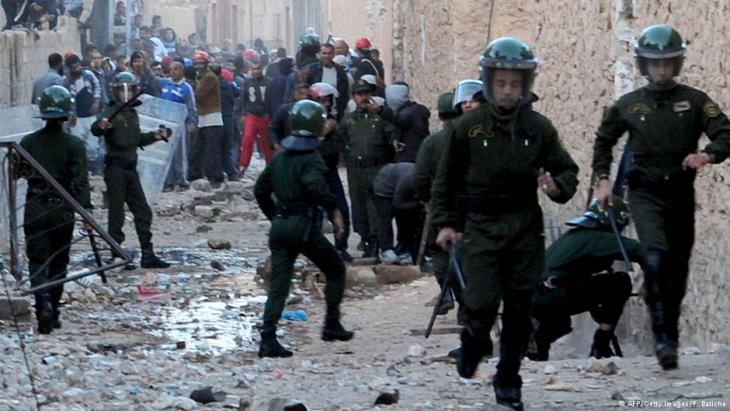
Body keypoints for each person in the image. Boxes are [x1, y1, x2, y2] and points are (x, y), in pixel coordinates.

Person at [432, 37, 578, 411]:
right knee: (479, 302)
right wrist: (447, 223)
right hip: (481, 225)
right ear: (489, 82)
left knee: (518, 307)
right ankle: (474, 342)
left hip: (524, 225)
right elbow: (445, 181)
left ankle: (509, 377)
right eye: (501, 83)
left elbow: (566, 170)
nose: (508, 91)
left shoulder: (538, 128)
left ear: (525, 85)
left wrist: (555, 185)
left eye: (515, 84)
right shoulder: (467, 128)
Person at [592, 24, 730, 371]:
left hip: (680, 192)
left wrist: (708, 155)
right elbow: (604, 142)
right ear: (643, 65)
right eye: (655, 65)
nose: (662, 71)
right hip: (645, 192)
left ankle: (671, 331)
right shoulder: (629, 105)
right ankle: (662, 337)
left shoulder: (695, 101)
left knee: (677, 269)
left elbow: (725, 133)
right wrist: (604, 180)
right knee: (655, 258)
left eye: (668, 64)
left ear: (677, 64)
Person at [254, 100, 353, 358]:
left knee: (279, 284)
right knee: (335, 269)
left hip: (280, 226)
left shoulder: (279, 158)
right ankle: (331, 323)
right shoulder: (311, 159)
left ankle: (268, 338)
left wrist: (274, 215)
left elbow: (260, 190)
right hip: (303, 227)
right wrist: (334, 212)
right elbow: (317, 188)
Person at [527, 197, 641, 361]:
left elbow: (581, 282)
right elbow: (639, 250)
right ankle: (601, 344)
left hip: (538, 297)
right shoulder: (594, 237)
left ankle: (537, 346)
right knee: (620, 282)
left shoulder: (574, 237)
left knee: (561, 323)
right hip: (555, 294)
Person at [20, 85, 91, 334]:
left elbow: (17, 172)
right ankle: (55, 310)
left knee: (37, 260)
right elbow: (81, 182)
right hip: (63, 207)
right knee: (59, 260)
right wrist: (87, 213)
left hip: (35, 206)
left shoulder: (27, 143)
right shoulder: (74, 145)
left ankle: (43, 305)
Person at [90, 72, 171, 269]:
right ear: (115, 92)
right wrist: (101, 126)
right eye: (122, 90)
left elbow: (137, 140)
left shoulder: (132, 114)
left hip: (130, 169)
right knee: (116, 214)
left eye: (130, 90)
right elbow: (97, 127)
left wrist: (157, 136)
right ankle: (116, 253)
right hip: (115, 170)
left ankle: (148, 253)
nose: (126, 94)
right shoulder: (111, 112)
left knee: (143, 211)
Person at [335, 77, 396, 258]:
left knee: (376, 207)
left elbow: (392, 136)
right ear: (353, 97)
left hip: (376, 168)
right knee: (358, 205)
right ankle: (365, 237)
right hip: (356, 170)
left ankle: (377, 242)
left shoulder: (380, 118)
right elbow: (339, 140)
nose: (363, 97)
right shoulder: (348, 120)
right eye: (359, 94)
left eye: (366, 94)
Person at [414, 91, 461, 315]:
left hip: (440, 204)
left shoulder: (432, 143)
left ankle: (447, 293)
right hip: (470, 205)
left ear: (440, 116)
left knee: (440, 252)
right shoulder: (472, 138)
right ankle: (467, 305)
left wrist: (427, 200)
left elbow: (420, 177)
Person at [309, 82, 352, 261]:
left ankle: (340, 246)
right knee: (313, 212)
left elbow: (337, 146)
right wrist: (323, 133)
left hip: (330, 170)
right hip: (313, 173)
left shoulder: (334, 120)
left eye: (328, 100)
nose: (326, 103)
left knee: (341, 209)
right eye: (322, 100)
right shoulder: (308, 120)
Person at [372, 162, 422, 265]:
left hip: (402, 190)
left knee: (408, 217)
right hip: (385, 186)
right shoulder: (408, 180)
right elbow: (397, 203)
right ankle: (386, 249)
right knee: (386, 216)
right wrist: (419, 203)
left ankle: (403, 247)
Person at [188, 50, 224, 187]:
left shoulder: (208, 77)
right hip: (204, 116)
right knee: (198, 148)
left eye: (201, 64)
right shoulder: (202, 77)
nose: (198, 66)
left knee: (212, 149)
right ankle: (196, 174)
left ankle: (216, 177)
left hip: (211, 117)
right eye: (196, 64)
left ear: (206, 64)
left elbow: (199, 95)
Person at [63, 53, 103, 174]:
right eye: (73, 68)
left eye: (77, 66)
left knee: (91, 147)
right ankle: (82, 171)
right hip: (76, 119)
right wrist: (71, 114)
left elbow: (97, 88)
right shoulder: (67, 82)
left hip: (90, 116)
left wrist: (96, 103)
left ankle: (90, 168)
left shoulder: (89, 75)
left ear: (80, 64)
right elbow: (68, 99)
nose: (76, 69)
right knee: (77, 146)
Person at [161, 61, 197, 191]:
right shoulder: (164, 84)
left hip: (179, 124)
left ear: (182, 71)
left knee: (179, 154)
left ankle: (181, 180)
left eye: (176, 69)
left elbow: (191, 108)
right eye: (171, 69)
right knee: (166, 154)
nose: (172, 72)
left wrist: (191, 122)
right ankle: (168, 182)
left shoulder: (187, 88)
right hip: (165, 123)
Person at [380, 81, 430, 163]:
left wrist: (380, 110)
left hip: (411, 160)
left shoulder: (409, 113)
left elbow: (400, 119)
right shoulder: (414, 110)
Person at [238, 61, 273, 175]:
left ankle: (270, 164)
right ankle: (243, 165)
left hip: (265, 116)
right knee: (247, 139)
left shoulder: (269, 82)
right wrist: (243, 113)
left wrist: (270, 113)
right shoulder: (247, 82)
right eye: (253, 69)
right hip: (251, 115)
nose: (255, 71)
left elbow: (272, 100)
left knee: (266, 142)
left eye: (258, 69)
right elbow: (243, 98)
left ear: (262, 69)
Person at [308, 43, 350, 119]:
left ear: (333, 54)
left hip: (335, 113)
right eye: (324, 53)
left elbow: (344, 94)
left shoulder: (340, 72)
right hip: (315, 112)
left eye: (329, 53)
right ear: (320, 54)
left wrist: (341, 111)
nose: (327, 56)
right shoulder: (312, 70)